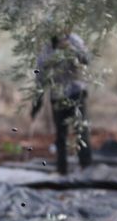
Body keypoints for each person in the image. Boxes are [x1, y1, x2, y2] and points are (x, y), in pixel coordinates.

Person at [31, 31, 92, 175]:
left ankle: (86, 168)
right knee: (61, 135)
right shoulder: (48, 47)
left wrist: (70, 49)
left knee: (81, 131)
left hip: (76, 93)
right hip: (57, 96)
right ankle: (62, 170)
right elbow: (41, 74)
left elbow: (86, 59)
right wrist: (37, 102)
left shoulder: (74, 40)